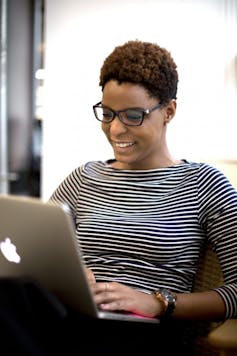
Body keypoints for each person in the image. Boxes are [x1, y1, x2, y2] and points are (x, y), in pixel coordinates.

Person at [1, 39, 237, 355]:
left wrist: (158, 303)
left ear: (169, 111)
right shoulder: (83, 177)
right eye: (108, 113)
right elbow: (33, 250)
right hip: (69, 315)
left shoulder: (203, 184)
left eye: (132, 116)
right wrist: (68, 278)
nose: (115, 129)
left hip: (140, 330)